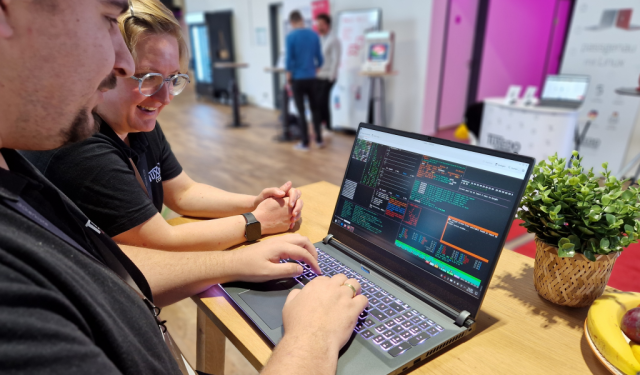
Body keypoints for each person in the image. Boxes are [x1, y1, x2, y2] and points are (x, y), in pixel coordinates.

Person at [0, 0, 367, 374]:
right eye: (107, 20)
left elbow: (114, 257)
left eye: (172, 79)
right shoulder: (74, 150)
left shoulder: (18, 175)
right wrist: (313, 335)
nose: (118, 62)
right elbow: (150, 241)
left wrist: (249, 220)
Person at [22, 0, 303, 252]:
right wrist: (258, 221)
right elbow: (159, 240)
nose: (165, 97)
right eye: (147, 77)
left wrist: (254, 203)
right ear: (108, 67)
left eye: (172, 78)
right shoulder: (80, 148)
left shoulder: (137, 123)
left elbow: (183, 192)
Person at [286, 10, 324, 151]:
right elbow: (320, 59)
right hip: (312, 78)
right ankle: (319, 140)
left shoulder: (291, 37)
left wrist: (288, 76)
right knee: (315, 109)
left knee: (301, 111)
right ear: (302, 19)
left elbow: (289, 59)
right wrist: (316, 69)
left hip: (298, 78)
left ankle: (305, 143)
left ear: (292, 22)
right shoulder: (314, 35)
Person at [315, 13, 341, 132]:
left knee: (323, 101)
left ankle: (328, 127)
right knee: (319, 102)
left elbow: (336, 59)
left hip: (328, 77)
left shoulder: (334, 39)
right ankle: (322, 125)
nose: (319, 27)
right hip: (319, 75)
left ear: (327, 25)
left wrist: (331, 77)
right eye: (318, 24)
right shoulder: (319, 38)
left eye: (321, 24)